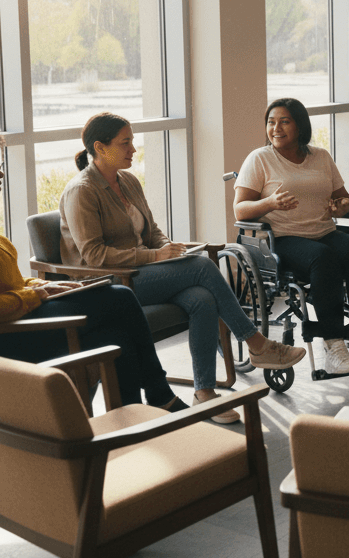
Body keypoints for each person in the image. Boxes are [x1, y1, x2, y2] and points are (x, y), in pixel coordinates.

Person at [0, 118, 187, 411]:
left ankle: (131, 418)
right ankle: (159, 394)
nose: (1, 174)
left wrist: (44, 285)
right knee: (120, 298)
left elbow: (7, 282)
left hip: (11, 322)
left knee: (116, 337)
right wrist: (37, 295)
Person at [59, 113, 305, 423]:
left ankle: (204, 392)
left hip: (140, 274)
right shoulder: (82, 191)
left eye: (132, 141)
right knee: (202, 268)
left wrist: (168, 249)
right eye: (125, 143)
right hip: (109, 284)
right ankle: (256, 343)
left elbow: (152, 233)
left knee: (201, 298)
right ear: (100, 147)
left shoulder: (128, 181)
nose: (133, 149)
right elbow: (94, 255)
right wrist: (155, 257)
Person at [233, 98, 349, 375]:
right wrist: (270, 204)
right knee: (323, 259)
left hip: (324, 231)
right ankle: (334, 347)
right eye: (271, 122)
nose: (276, 128)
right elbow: (240, 209)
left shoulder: (321, 156)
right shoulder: (260, 159)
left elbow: (343, 199)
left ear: (300, 126)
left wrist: (342, 206)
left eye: (284, 121)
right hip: (284, 239)